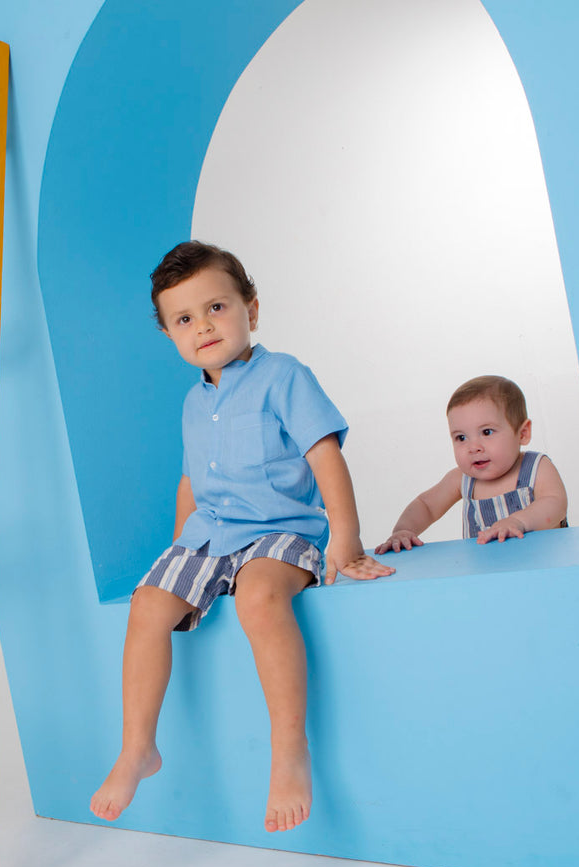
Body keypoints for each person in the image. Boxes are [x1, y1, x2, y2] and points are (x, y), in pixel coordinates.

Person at [90, 240, 393, 833]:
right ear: (170, 336)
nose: (203, 326)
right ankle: (137, 749)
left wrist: (347, 539)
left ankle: (289, 750)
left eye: (216, 308)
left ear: (251, 309)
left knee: (258, 597)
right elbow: (190, 481)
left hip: (281, 533)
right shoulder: (191, 403)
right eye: (184, 319)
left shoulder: (284, 376)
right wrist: (177, 552)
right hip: (210, 537)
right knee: (148, 603)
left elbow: (324, 455)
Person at [376, 375, 569, 551]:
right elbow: (426, 505)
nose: (473, 447)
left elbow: (555, 503)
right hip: (488, 570)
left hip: (544, 564)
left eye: (487, 432)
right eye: (461, 437)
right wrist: (404, 530)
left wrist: (518, 521)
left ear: (523, 433)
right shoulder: (462, 479)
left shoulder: (536, 467)